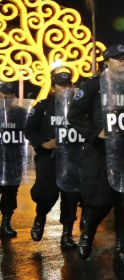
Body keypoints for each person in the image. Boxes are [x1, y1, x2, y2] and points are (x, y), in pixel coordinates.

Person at [67, 44, 124, 270]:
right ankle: (88, 232)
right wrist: (97, 133)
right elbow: (74, 115)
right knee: (100, 201)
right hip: (100, 152)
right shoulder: (93, 86)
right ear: (106, 62)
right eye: (118, 58)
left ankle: (121, 250)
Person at [24, 71, 84, 248]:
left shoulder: (78, 108)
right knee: (47, 194)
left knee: (71, 195)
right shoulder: (43, 106)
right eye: (61, 85)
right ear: (53, 87)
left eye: (68, 85)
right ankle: (40, 217)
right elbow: (29, 130)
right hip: (49, 158)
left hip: (73, 157)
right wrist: (43, 144)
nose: (65, 89)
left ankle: (67, 234)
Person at [0, 81, 26, 238]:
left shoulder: (21, 112)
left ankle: (5, 223)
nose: (8, 97)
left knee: (10, 193)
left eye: (10, 94)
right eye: (4, 94)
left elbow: (29, 132)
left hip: (13, 160)